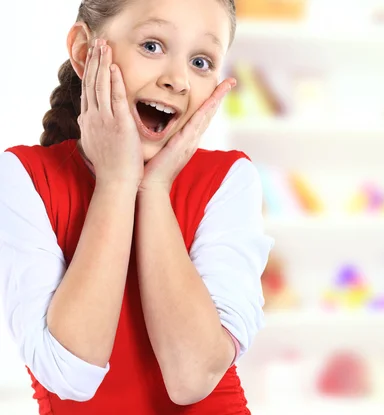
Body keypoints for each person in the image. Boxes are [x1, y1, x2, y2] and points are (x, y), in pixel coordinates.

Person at [0, 0, 273, 413]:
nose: (178, 79)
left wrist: (155, 188)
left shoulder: (230, 180)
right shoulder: (23, 176)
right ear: (83, 50)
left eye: (201, 61)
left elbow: (192, 377)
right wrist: (116, 182)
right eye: (152, 46)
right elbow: (69, 374)